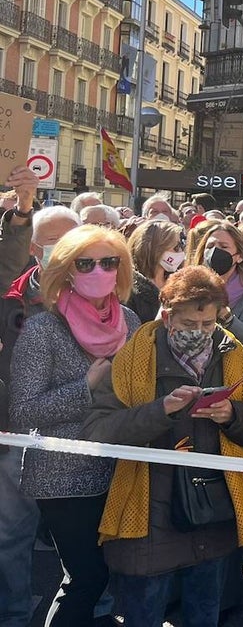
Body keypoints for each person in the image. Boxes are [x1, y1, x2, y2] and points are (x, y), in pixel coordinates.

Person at [81, 266, 243, 627]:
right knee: (144, 613)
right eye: (188, 324)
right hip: (151, 511)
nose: (200, 332)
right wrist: (160, 410)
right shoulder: (133, 358)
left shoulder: (233, 353)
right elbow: (97, 430)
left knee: (205, 612)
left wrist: (232, 414)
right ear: (167, 317)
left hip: (212, 508)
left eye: (208, 324)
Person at [9, 225, 141, 626]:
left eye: (109, 262)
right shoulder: (42, 328)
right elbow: (24, 410)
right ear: (66, 270)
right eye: (86, 263)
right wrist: (85, 387)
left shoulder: (130, 320)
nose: (99, 270)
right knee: (86, 578)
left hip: (117, 469)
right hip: (61, 477)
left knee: (107, 577)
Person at [0, 166, 51, 627]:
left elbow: (6, 263)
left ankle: (13, 613)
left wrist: (22, 207)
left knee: (12, 530)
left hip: (10, 426)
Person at [189, 220, 243, 364]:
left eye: (224, 246)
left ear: (239, 256)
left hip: (230, 370)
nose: (215, 251)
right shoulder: (186, 288)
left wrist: (225, 315)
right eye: (210, 246)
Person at [125, 219, 185, 323]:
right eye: (176, 247)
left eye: (182, 246)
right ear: (154, 249)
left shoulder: (180, 284)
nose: (181, 251)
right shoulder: (129, 292)